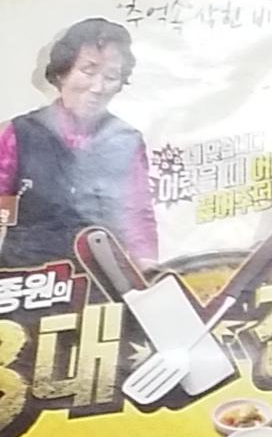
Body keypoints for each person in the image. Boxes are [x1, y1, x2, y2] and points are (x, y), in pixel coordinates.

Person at [0, 17, 157, 269]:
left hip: (102, 279)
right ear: (62, 72)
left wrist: (147, 268)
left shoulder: (126, 140)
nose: (98, 87)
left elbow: (137, 215)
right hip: (27, 278)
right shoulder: (19, 133)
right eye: (88, 71)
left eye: (111, 76)